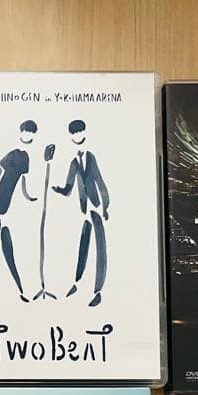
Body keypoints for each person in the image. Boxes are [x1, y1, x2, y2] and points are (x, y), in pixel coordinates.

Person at [53, 118, 110, 307]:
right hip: (84, 208)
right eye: (74, 133)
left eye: (79, 132)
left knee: (100, 248)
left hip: (96, 206)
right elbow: (69, 187)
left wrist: (105, 206)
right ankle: (77, 283)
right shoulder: (73, 162)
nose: (77, 136)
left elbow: (100, 181)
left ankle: (98, 291)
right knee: (84, 244)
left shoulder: (91, 157)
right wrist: (58, 189)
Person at [0, 119, 39, 301]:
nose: (28, 134)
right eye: (26, 131)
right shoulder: (11, 154)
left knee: (9, 251)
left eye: (31, 132)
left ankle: (20, 290)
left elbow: (23, 182)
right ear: (21, 131)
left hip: (9, 210)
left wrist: (29, 197)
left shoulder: (25, 158)